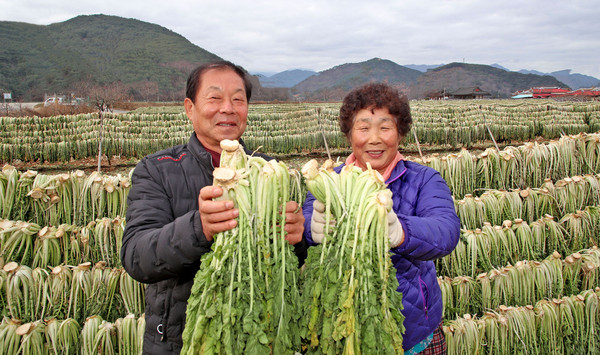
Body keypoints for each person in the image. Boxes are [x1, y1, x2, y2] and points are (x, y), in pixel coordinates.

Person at [121, 60, 307, 354]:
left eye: (238, 99)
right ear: (189, 108)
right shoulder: (158, 170)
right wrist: (200, 227)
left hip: (261, 333)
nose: (228, 108)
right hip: (179, 341)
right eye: (215, 98)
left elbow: (291, 259)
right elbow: (136, 256)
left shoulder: (272, 172)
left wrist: (298, 238)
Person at [303, 82, 460, 354]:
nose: (374, 138)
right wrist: (310, 227)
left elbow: (445, 231)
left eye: (385, 128)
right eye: (363, 128)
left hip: (412, 329)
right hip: (339, 323)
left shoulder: (424, 180)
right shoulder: (329, 182)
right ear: (349, 135)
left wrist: (402, 232)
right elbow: (306, 217)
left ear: (400, 134)